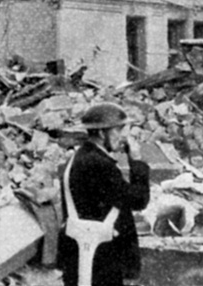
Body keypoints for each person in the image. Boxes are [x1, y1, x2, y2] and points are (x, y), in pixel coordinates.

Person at [60, 103, 150, 286]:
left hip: (90, 255)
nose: (123, 136)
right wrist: (137, 162)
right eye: (118, 130)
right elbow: (138, 200)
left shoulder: (82, 157)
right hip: (99, 258)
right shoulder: (98, 164)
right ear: (102, 133)